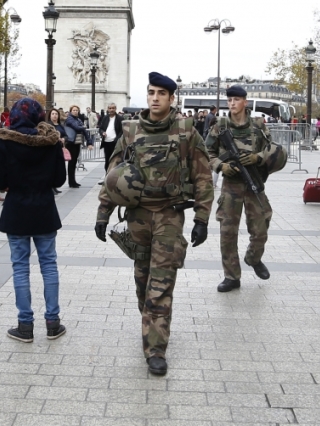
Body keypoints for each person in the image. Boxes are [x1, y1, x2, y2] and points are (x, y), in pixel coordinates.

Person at [95, 72, 214, 376]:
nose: (155, 97)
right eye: (151, 92)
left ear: (171, 98)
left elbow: (203, 176)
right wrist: (103, 213)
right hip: (137, 217)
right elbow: (114, 174)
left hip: (169, 216)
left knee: (160, 283)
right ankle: (151, 325)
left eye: (162, 93)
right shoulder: (131, 131)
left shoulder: (186, 131)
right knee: (141, 280)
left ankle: (156, 349)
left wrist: (202, 218)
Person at [0, 98, 68, 342]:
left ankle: (25, 326)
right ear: (39, 116)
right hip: (44, 209)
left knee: (20, 267)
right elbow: (58, 180)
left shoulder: (5, 141)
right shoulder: (51, 141)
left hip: (16, 211)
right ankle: (53, 322)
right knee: (49, 265)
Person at [206, 85, 285, 291]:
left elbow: (272, 149)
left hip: (254, 183)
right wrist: (221, 166)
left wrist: (256, 157)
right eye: (229, 100)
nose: (232, 103)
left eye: (236, 99)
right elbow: (206, 152)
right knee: (227, 233)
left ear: (245, 102)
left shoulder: (258, 125)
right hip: (231, 186)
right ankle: (232, 276)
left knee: (261, 228)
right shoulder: (220, 126)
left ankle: (253, 258)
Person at [64, 104, 94, 188]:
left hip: (76, 143)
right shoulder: (69, 119)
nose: (75, 111)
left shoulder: (78, 119)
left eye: (77, 110)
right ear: (70, 111)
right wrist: (83, 127)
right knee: (71, 163)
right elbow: (77, 128)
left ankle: (73, 181)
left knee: (74, 163)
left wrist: (89, 142)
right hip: (71, 143)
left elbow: (83, 131)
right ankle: (71, 182)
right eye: (73, 110)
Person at [97, 103, 123, 177]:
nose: (111, 110)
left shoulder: (120, 118)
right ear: (108, 109)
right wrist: (102, 133)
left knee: (115, 161)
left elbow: (122, 131)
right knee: (107, 160)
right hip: (106, 142)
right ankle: (107, 178)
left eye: (113, 108)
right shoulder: (105, 118)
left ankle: (115, 178)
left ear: (115, 109)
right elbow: (101, 128)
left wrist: (117, 139)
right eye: (110, 108)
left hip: (115, 143)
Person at [48, 108, 67, 195]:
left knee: (57, 168)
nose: (55, 115)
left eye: (56, 114)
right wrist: (56, 138)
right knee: (50, 168)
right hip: (51, 149)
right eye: (53, 114)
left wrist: (63, 139)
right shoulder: (48, 126)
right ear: (50, 115)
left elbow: (66, 135)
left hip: (59, 149)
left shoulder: (60, 125)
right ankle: (50, 187)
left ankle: (55, 186)